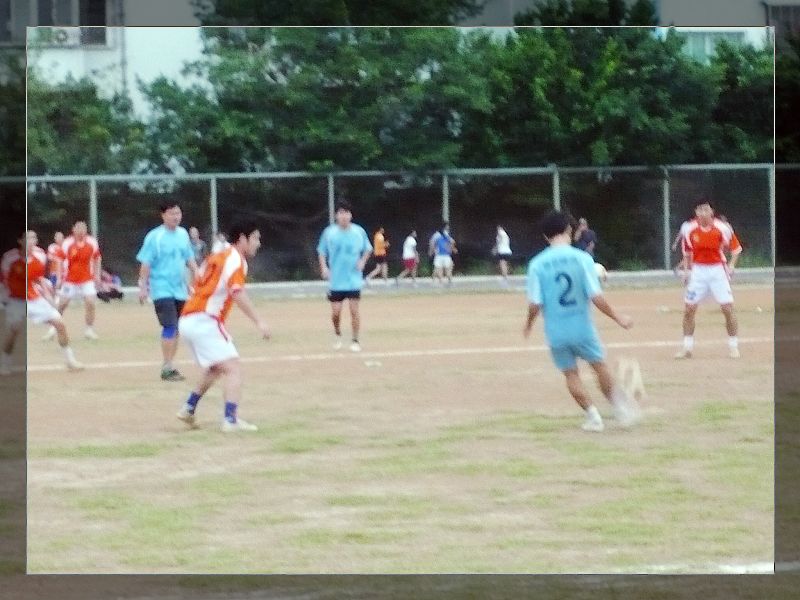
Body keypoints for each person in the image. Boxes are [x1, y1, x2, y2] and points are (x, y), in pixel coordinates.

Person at [523, 211, 639, 433]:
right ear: (569, 230)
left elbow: (535, 304)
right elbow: (596, 297)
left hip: (556, 329)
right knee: (599, 366)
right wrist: (618, 317)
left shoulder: (536, 264)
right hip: (582, 327)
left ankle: (593, 417)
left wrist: (528, 325)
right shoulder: (583, 259)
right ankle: (621, 410)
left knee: (570, 374)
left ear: (545, 236)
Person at [176, 220, 271, 433]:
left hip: (188, 318)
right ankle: (231, 420)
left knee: (216, 367)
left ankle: (188, 408)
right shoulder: (235, 259)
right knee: (233, 368)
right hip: (205, 320)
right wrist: (259, 321)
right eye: (255, 238)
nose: (258, 243)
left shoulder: (218, 255)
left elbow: (198, 280)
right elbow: (237, 292)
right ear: (242, 239)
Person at [2, 231, 83, 375]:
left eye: (34, 238)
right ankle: (4, 363)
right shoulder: (9, 258)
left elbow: (38, 278)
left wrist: (49, 298)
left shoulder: (40, 256)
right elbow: (4, 281)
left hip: (34, 298)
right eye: (28, 238)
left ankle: (70, 361)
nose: (31, 241)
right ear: (20, 241)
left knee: (60, 324)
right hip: (15, 299)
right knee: (14, 330)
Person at [136, 201, 199, 382]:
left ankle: (170, 364)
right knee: (169, 326)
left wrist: (197, 276)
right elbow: (146, 263)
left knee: (178, 327)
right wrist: (143, 286)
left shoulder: (183, 234)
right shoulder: (154, 237)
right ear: (163, 215)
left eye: (178, 213)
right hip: (161, 288)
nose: (176, 217)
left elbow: (189, 259)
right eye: (172, 213)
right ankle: (166, 366)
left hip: (180, 289)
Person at [674, 200, 743, 360]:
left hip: (717, 270)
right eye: (700, 210)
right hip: (698, 271)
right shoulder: (689, 229)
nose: (703, 213)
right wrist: (686, 272)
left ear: (712, 212)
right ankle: (687, 347)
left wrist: (731, 265)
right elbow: (687, 253)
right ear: (696, 212)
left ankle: (733, 347)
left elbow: (736, 249)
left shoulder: (723, 228)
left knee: (727, 308)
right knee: (689, 309)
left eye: (706, 209)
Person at [317, 200, 372, 352]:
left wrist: (362, 261)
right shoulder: (329, 233)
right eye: (341, 213)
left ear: (350, 215)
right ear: (336, 215)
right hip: (336, 280)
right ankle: (337, 334)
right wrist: (324, 267)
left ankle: (355, 340)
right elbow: (321, 251)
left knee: (354, 311)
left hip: (353, 279)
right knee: (336, 313)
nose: (344, 216)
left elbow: (368, 249)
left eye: (346, 213)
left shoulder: (359, 232)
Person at [42, 221, 102, 341]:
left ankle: (89, 330)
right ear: (73, 230)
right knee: (62, 305)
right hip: (70, 280)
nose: (81, 231)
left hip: (87, 279)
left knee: (90, 302)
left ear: (86, 230)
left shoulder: (92, 242)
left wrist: (97, 275)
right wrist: (59, 278)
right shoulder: (67, 243)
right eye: (78, 228)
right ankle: (53, 329)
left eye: (83, 228)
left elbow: (97, 258)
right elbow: (59, 260)